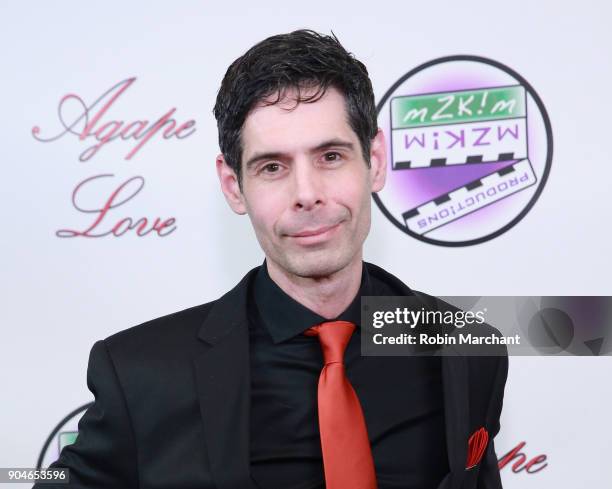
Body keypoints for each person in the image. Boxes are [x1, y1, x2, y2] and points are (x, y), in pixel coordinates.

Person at [36, 29, 508, 489]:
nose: (307, 194)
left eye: (330, 157)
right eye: (272, 167)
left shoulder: (465, 347)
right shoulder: (140, 374)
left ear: (376, 160)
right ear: (233, 185)